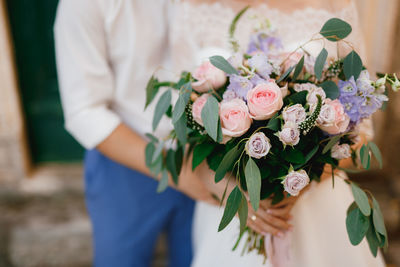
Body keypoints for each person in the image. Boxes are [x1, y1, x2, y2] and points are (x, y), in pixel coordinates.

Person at [54, 0, 292, 266]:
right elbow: (84, 111)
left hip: (213, 156)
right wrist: (178, 173)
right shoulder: (84, 5)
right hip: (128, 161)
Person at [165, 0, 386, 266]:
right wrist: (229, 190)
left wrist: (304, 179)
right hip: (230, 203)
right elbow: (180, 130)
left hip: (315, 202)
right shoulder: (192, 7)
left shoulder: (335, 5)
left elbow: (360, 133)